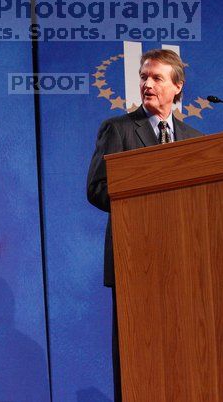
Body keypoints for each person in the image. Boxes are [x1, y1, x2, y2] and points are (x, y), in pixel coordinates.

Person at [86, 49, 202, 401]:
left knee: (184, 352)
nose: (147, 84)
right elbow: (96, 189)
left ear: (177, 87)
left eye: (157, 78)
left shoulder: (195, 140)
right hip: (135, 258)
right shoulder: (119, 130)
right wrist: (143, 200)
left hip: (183, 261)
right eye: (144, 77)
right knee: (138, 355)